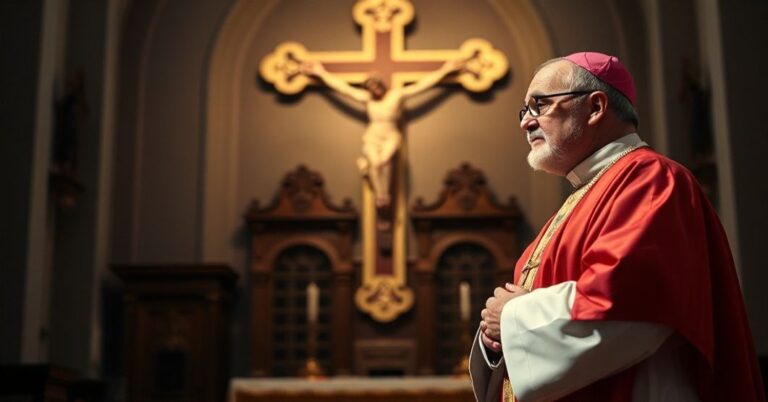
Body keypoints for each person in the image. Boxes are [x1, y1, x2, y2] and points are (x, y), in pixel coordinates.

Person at [470, 51, 765, 402]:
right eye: (525, 110)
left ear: (595, 108)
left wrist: (514, 316)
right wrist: (497, 337)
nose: (526, 122)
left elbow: (631, 302)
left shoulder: (651, 180)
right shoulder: (581, 198)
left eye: (540, 105)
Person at [301, 58, 467, 208]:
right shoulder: (367, 99)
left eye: (376, 85)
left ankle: (376, 184)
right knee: (375, 163)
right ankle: (381, 196)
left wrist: (444, 70)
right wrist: (321, 73)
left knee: (384, 161)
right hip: (373, 136)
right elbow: (343, 89)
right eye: (370, 87)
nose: (375, 89)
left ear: (381, 84)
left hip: (390, 136)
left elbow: (421, 86)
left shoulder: (396, 95)